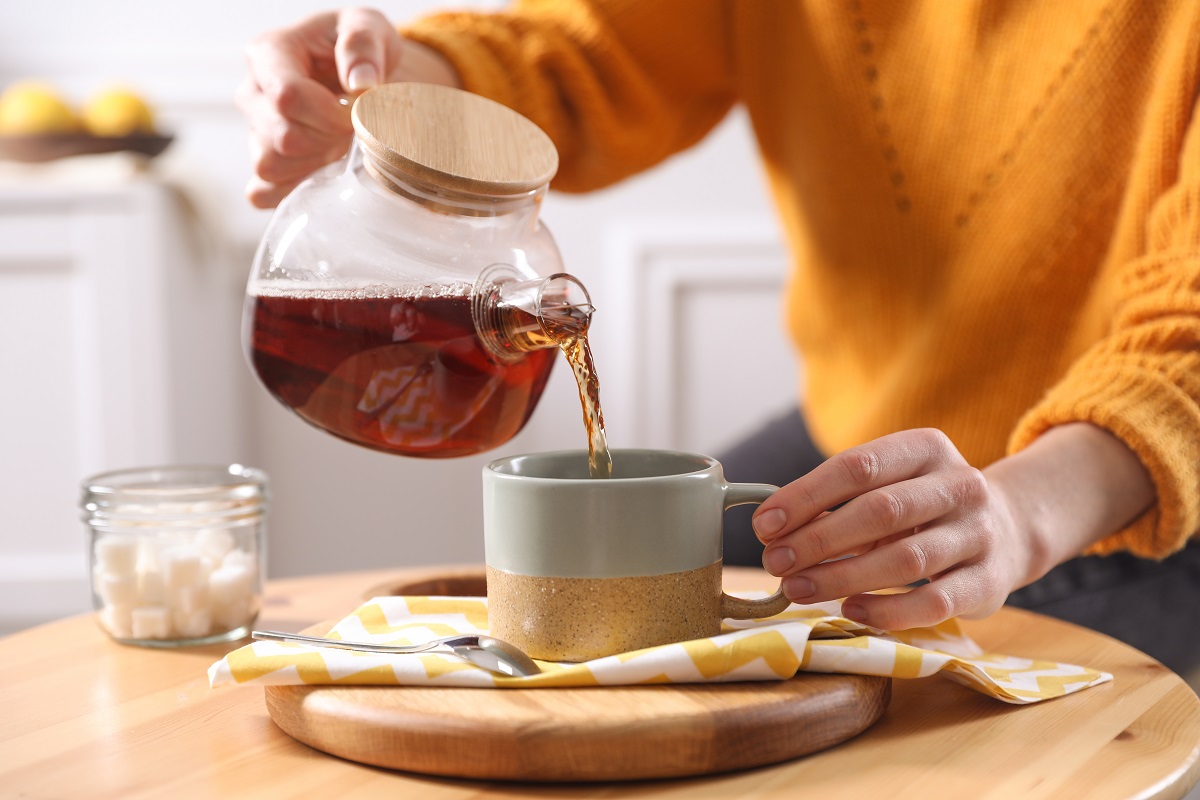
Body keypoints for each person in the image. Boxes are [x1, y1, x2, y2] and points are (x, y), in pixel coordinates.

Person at [237, 2, 1200, 674]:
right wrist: (403, 88)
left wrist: (1021, 514)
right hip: (862, 441)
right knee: (607, 629)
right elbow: (593, 50)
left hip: (1124, 492)